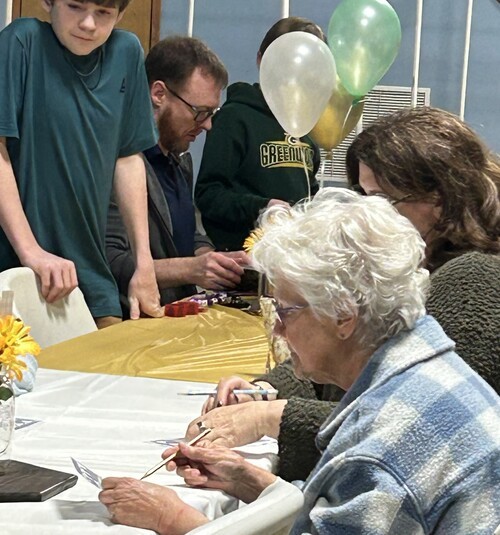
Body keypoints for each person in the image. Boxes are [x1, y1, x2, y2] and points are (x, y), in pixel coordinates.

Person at [98, 188, 500, 534]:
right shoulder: (433, 371)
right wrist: (251, 482)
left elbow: (372, 482)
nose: (278, 331)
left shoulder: (378, 455)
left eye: (286, 311)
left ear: (343, 315)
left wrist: (177, 519)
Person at [187, 106, 500, 483]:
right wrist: (267, 389)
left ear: (441, 196)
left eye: (382, 199)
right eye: (363, 196)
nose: (368, 212)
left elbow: (418, 425)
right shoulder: (425, 263)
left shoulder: (475, 280)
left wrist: (270, 417)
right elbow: (344, 353)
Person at [0, 0, 162, 329]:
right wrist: (31, 251)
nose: (88, 24)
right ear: (48, 2)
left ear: (120, 14)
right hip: (16, 265)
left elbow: (128, 157)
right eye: (75, 6)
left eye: (103, 13)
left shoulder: (126, 52)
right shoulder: (22, 41)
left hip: (90, 268)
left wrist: (143, 263)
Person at [106, 36, 247, 317]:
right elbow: (110, 261)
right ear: (158, 93)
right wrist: (191, 269)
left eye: (212, 113)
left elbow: (188, 235)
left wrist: (213, 260)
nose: (207, 125)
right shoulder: (116, 165)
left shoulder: (180, 161)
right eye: (199, 112)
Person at [194, 17, 323, 253]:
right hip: (242, 258)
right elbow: (208, 195)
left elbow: (308, 190)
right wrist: (262, 207)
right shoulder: (234, 118)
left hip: (293, 258)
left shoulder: (304, 126)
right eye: (287, 62)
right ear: (261, 60)